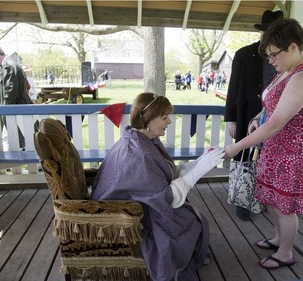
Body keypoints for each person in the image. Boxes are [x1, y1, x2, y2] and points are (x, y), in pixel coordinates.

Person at [224, 18, 303, 269]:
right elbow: (271, 106)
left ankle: (285, 252)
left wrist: (238, 147)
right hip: (276, 149)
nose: (271, 61)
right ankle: (278, 239)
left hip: (294, 154)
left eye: (274, 54)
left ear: (293, 47)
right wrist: (254, 118)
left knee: (285, 206)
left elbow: (276, 123)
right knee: (271, 199)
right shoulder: (287, 72)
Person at [91, 92, 225, 281]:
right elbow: (166, 196)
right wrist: (199, 170)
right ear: (148, 118)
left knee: (191, 219)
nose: (169, 122)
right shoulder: (138, 153)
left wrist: (199, 162)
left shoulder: (143, 140)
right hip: (126, 213)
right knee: (187, 223)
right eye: (164, 117)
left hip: (137, 202)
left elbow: (162, 176)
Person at [224, 9, 284, 221]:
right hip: (246, 115)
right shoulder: (243, 54)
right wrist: (231, 120)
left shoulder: (285, 58)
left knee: (268, 161)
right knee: (244, 159)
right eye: (268, 32)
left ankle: (265, 199)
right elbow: (232, 89)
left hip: (277, 119)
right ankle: (243, 201)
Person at [0, 45, 32, 149]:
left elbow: (10, 93)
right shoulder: (9, 66)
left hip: (15, 113)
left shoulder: (10, 66)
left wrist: (3, 112)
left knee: (18, 145)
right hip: (15, 112)